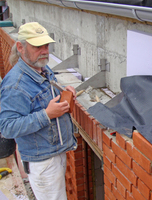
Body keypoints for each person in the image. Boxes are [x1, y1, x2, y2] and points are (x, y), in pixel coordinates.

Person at [0, 22, 77, 200]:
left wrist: (64, 91)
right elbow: (7, 127)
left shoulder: (40, 67)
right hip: (42, 162)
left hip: (53, 152)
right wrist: (47, 115)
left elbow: (44, 93)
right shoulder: (15, 85)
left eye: (46, 45)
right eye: (37, 46)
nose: (44, 51)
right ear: (21, 47)